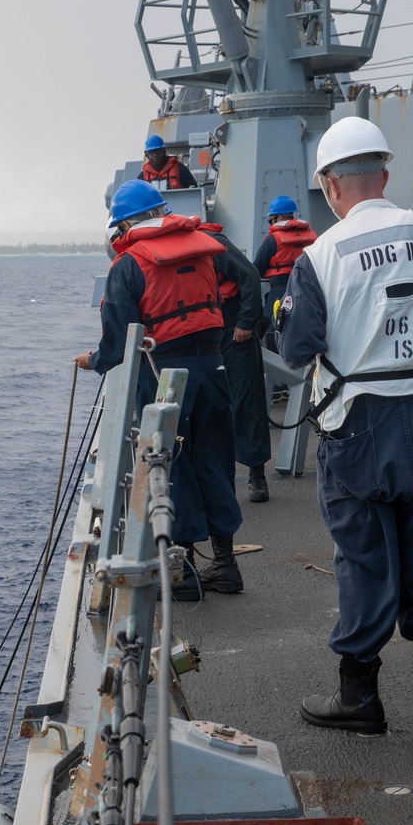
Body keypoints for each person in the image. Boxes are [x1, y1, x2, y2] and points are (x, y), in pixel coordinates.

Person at [277, 115, 413, 731]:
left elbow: (299, 349)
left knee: (364, 554)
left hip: (359, 424)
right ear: (384, 173)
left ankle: (359, 695)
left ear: (329, 186)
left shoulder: (319, 255)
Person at [75, 178, 244, 600]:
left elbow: (117, 344)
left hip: (166, 377)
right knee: (215, 462)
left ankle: (183, 574)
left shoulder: (128, 266)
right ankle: (225, 564)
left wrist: (92, 361)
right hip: (215, 368)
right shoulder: (203, 248)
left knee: (170, 470)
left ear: (124, 225)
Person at [200, 218, 272, 502]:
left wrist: (246, 321)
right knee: (210, 407)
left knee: (246, 402)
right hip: (203, 335)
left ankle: (257, 475)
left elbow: (251, 276)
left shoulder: (213, 245)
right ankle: (219, 479)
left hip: (234, 331)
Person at [254, 196, 317, 350]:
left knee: (268, 328)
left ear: (279, 217)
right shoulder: (310, 235)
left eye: (271, 220)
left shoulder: (273, 239)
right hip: (308, 290)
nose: (270, 223)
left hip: (280, 291)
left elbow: (256, 268)